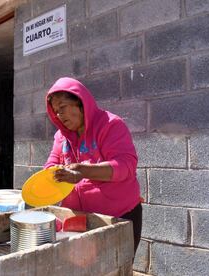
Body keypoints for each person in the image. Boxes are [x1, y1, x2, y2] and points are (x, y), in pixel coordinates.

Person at [44, 77, 142, 254]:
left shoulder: (110, 124)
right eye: (56, 111)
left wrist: (83, 171)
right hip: (79, 217)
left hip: (118, 216)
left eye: (63, 107)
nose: (59, 115)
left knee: (115, 270)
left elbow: (126, 165)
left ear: (80, 102)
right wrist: (47, 178)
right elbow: (52, 162)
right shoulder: (61, 136)